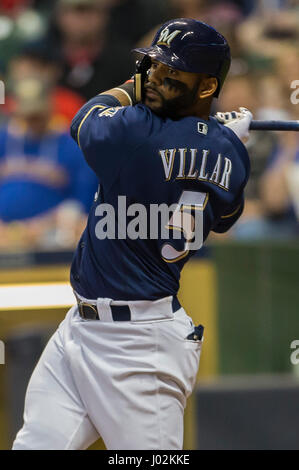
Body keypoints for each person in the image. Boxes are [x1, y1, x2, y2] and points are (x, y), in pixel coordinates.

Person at [12, 18, 252, 450]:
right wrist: (221, 140)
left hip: (139, 348)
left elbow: (84, 119)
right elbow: (225, 217)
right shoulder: (229, 152)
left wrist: (132, 88)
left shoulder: (134, 129)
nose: (152, 80)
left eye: (171, 75)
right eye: (151, 68)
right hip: (80, 330)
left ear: (205, 87)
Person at [0, 77, 98, 250]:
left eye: (37, 116)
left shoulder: (71, 146)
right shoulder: (4, 141)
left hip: (52, 235)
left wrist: (42, 225)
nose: (33, 121)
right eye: (28, 116)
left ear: (50, 108)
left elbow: (82, 201)